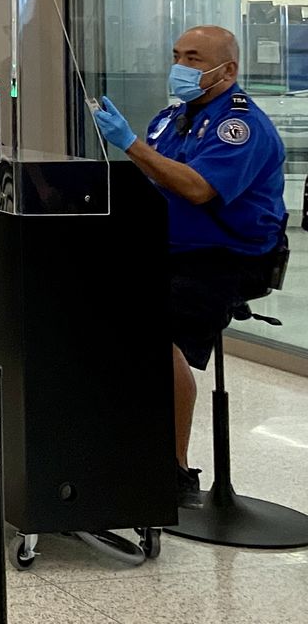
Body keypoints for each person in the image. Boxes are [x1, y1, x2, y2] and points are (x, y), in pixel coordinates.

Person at [93, 25, 288, 505]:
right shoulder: (174, 116)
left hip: (228, 255)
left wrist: (131, 144)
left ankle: (173, 468)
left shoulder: (239, 126)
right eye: (177, 55)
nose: (181, 67)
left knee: (153, 330)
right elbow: (153, 176)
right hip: (168, 244)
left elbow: (199, 188)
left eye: (195, 59)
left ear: (229, 69)